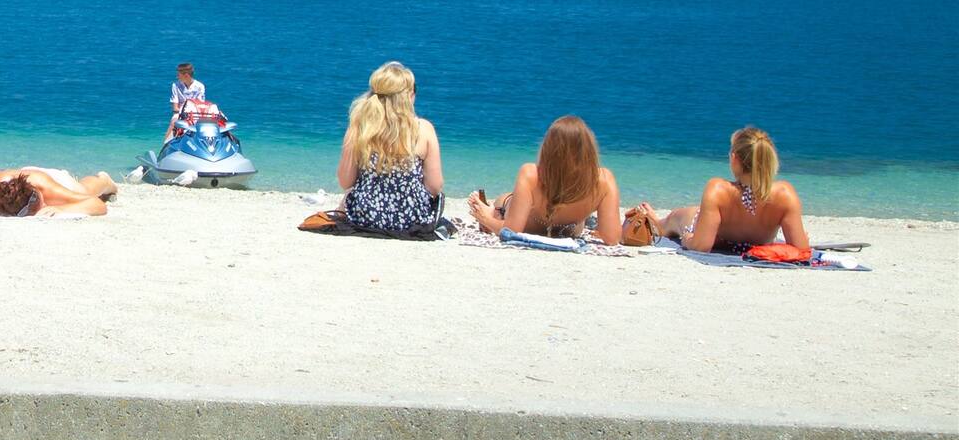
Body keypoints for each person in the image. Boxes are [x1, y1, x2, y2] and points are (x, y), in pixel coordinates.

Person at [631, 127, 809, 253]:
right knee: (678, 217)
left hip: (703, 226)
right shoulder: (785, 194)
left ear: (735, 159)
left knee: (674, 218)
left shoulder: (718, 190)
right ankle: (658, 222)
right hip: (755, 241)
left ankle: (657, 223)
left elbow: (701, 246)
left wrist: (686, 237)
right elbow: (801, 249)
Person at [465, 115, 623, 245]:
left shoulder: (531, 174)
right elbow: (612, 238)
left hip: (528, 225)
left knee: (504, 200)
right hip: (570, 230)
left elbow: (512, 231)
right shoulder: (603, 180)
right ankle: (494, 212)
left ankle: (493, 213)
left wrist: (484, 218)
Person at [335, 62, 444, 232]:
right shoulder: (424, 129)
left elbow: (345, 181)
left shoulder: (359, 128)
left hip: (364, 216)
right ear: (409, 96)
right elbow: (434, 186)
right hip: (412, 220)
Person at [0, 167, 116, 217]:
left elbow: (98, 204)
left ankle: (105, 181)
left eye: (34, 200)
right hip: (26, 173)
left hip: (55, 179)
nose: (37, 208)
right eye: (25, 211)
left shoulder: (48, 191)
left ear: (36, 191)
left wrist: (62, 209)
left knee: (84, 190)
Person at [167, 63, 205, 142]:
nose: (177, 77)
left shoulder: (200, 86)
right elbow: (175, 108)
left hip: (195, 114)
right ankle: (165, 146)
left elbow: (200, 105)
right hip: (180, 114)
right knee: (174, 121)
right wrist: (183, 112)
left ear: (186, 75)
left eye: (179, 75)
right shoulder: (175, 85)